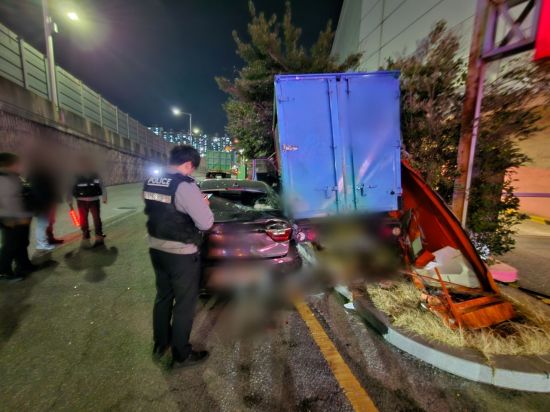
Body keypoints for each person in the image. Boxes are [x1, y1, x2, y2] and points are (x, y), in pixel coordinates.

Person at [144, 145, 214, 368]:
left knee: (163, 297)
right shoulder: (184, 186)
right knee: (184, 304)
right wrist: (204, 204)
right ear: (187, 164)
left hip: (156, 248)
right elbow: (206, 223)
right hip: (181, 252)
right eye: (192, 168)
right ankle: (181, 353)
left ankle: (160, 343)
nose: (191, 172)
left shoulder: (152, 181)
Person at [0, 153, 37, 281]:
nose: (19, 166)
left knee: (21, 243)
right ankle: (3, 271)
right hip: (11, 219)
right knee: (10, 246)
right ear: (7, 164)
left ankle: (24, 266)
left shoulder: (13, 176)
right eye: (16, 163)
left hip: (21, 217)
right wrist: (8, 219)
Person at [67, 157, 107, 244]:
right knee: (89, 218)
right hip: (85, 201)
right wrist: (69, 201)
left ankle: (93, 235)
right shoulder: (78, 175)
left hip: (90, 200)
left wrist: (105, 196)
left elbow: (102, 185)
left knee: (93, 218)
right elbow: (70, 188)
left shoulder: (92, 174)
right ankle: (90, 234)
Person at [28, 159, 64, 252]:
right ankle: (42, 244)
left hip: (49, 202)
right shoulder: (35, 175)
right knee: (42, 224)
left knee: (49, 222)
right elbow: (42, 190)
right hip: (43, 204)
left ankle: (49, 239)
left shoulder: (44, 174)